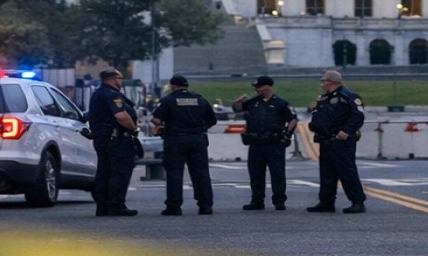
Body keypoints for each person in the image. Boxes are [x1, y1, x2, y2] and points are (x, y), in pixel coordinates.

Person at [150, 74, 217, 215]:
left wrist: (164, 125)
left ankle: (174, 206)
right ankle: (205, 205)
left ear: (173, 86)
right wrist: (200, 127)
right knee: (201, 173)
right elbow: (212, 120)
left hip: (176, 140)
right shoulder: (199, 99)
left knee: (174, 173)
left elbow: (156, 120)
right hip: (197, 139)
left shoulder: (169, 100)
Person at [233, 75, 298, 210]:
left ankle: (279, 200)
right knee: (256, 173)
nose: (256, 90)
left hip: (274, 143)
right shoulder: (253, 102)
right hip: (256, 142)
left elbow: (292, 119)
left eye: (259, 87)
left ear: (267, 87)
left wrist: (287, 134)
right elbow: (238, 109)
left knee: (277, 173)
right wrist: (237, 102)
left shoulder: (280, 103)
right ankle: (257, 200)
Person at [307, 69, 366, 213]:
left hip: (340, 141)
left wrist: (346, 131)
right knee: (327, 173)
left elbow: (358, 115)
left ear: (332, 82)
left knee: (347, 172)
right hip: (326, 140)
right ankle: (326, 202)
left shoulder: (348, 96)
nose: (322, 84)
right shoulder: (324, 98)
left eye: (324, 81)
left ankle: (357, 201)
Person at [86, 68, 139, 216]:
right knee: (119, 172)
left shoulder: (98, 94)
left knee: (104, 172)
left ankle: (103, 206)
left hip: (103, 139)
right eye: (119, 79)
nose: (120, 82)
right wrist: (134, 129)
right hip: (116, 140)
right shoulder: (113, 94)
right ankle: (116, 205)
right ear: (115, 79)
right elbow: (121, 115)